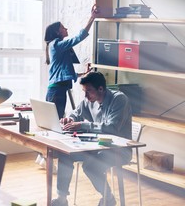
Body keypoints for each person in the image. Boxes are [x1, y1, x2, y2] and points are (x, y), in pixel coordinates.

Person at [51, 71, 133, 206]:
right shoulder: (89, 99)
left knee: (91, 166)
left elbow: (112, 128)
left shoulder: (119, 99)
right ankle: (61, 198)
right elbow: (76, 113)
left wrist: (82, 125)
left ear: (100, 88)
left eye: (88, 91)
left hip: (119, 150)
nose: (85, 95)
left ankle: (108, 199)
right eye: (84, 91)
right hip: (96, 146)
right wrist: (70, 119)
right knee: (65, 155)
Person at [44, 4, 98, 119]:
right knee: (55, 120)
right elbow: (79, 37)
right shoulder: (57, 45)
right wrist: (92, 18)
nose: (66, 29)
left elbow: (63, 72)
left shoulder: (56, 46)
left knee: (55, 120)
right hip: (57, 91)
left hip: (57, 89)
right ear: (58, 32)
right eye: (63, 28)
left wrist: (82, 74)